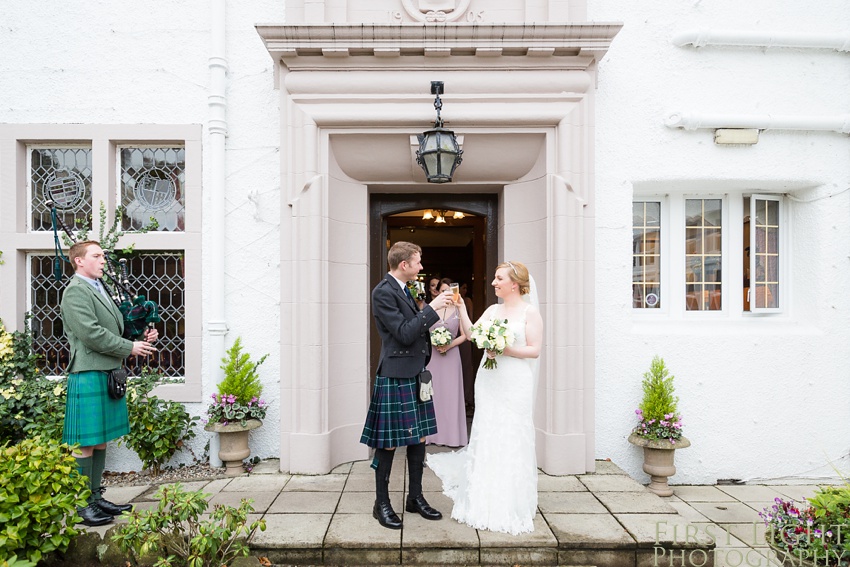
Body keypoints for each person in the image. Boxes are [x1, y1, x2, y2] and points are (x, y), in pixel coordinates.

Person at [427, 260, 543, 535]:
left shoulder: (530, 313)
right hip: (489, 381)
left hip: (515, 382)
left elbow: (534, 351)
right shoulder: (492, 310)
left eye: (498, 278)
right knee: (488, 431)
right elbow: (471, 335)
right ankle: (483, 493)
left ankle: (511, 497)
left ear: (514, 283)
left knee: (513, 434)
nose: (493, 283)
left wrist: (504, 349)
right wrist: (461, 308)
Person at [61, 240, 159, 527]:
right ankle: (82, 506)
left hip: (106, 371)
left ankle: (95, 497)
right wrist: (130, 348)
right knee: (85, 444)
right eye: (97, 255)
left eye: (103, 255)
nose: (103, 260)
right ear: (79, 261)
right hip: (89, 372)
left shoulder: (98, 287)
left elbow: (115, 326)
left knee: (101, 440)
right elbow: (91, 334)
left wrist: (140, 335)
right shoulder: (75, 292)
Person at [360, 241, 454, 529]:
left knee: (419, 438)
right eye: (418, 262)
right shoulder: (383, 292)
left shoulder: (406, 289)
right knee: (387, 444)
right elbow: (402, 333)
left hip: (415, 371)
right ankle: (382, 504)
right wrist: (434, 308)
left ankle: (415, 497)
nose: (421, 267)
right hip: (394, 373)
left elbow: (414, 328)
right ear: (404, 265)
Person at [425, 278, 468, 447]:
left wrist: (448, 345)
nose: (445, 294)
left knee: (450, 395)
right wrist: (435, 342)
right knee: (432, 394)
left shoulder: (458, 310)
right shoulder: (431, 309)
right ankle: (431, 436)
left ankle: (452, 436)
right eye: (442, 291)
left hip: (451, 357)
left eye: (448, 291)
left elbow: (465, 335)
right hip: (433, 357)